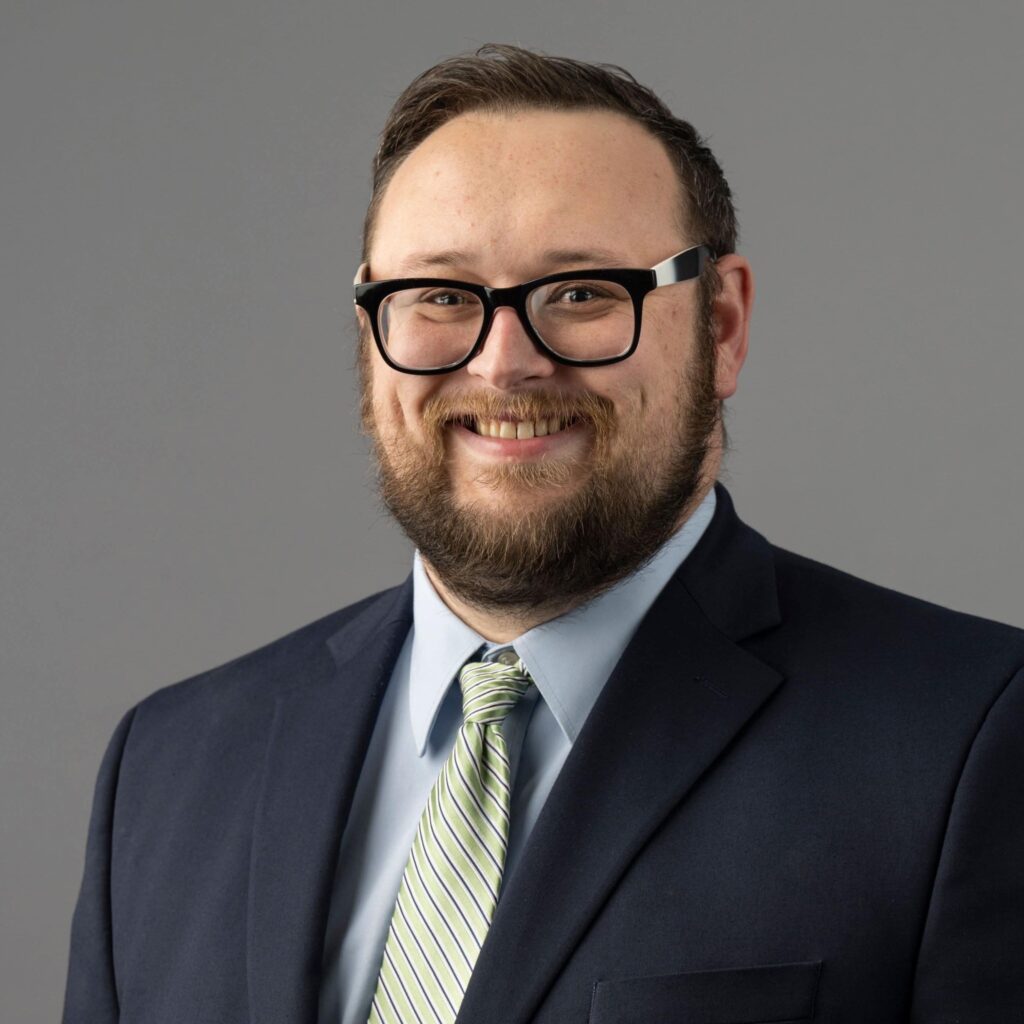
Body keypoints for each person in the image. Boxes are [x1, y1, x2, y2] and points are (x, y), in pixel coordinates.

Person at [63, 45, 1024, 1024]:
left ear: (722, 325)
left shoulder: (970, 744)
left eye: (581, 291)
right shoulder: (169, 765)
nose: (504, 363)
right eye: (441, 296)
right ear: (369, 328)